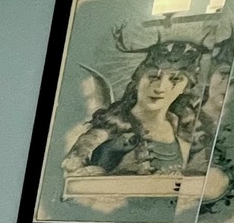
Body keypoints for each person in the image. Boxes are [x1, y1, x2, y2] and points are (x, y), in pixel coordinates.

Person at [63, 39, 211, 177]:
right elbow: (72, 168)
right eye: (153, 76)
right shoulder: (114, 125)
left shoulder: (185, 129)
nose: (160, 88)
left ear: (186, 87)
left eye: (176, 79)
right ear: (139, 80)